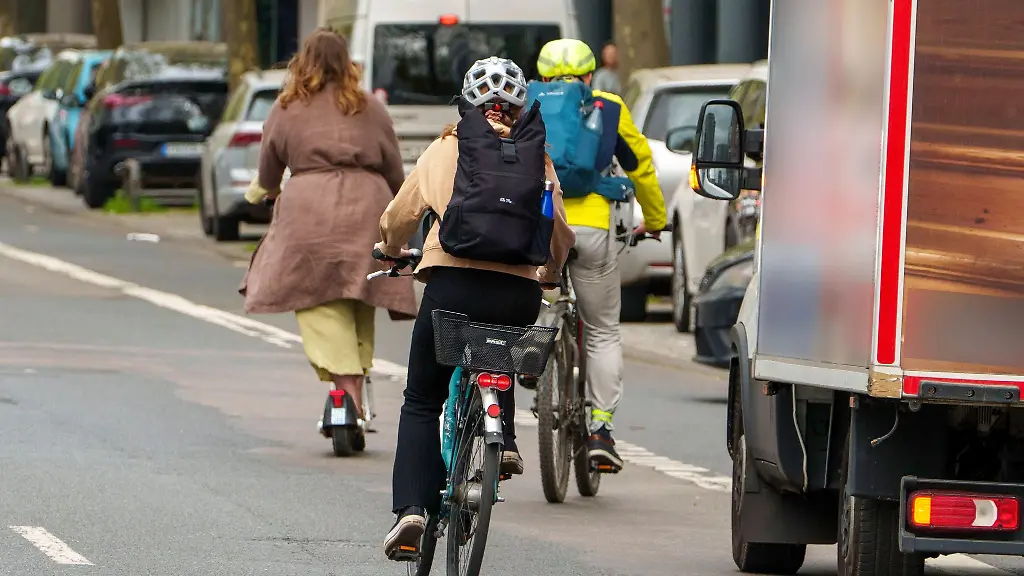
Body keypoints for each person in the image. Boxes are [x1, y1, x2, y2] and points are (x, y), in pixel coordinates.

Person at [376, 56, 575, 557]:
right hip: (518, 295)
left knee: (423, 397)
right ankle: (501, 441)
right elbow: (559, 233)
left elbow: (400, 215)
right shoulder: (537, 156)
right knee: (497, 356)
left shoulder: (446, 149)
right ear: (518, 106)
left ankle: (413, 512)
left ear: (465, 100)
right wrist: (547, 276)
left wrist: (393, 249)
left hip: (452, 287)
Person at [239, 28, 417, 426]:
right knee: (359, 293)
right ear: (346, 63)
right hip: (366, 208)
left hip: (309, 211)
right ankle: (354, 383)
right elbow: (393, 168)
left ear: (303, 61)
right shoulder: (368, 106)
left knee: (316, 298)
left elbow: (270, 166)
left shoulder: (287, 107)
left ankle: (347, 391)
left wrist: (267, 190)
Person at [535, 38, 666, 471]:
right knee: (604, 329)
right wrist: (656, 218)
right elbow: (640, 163)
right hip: (591, 226)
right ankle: (600, 431)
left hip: (539, 222)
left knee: (534, 298)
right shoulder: (607, 106)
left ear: (543, 76)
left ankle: (533, 359)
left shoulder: (525, 103)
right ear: (590, 76)